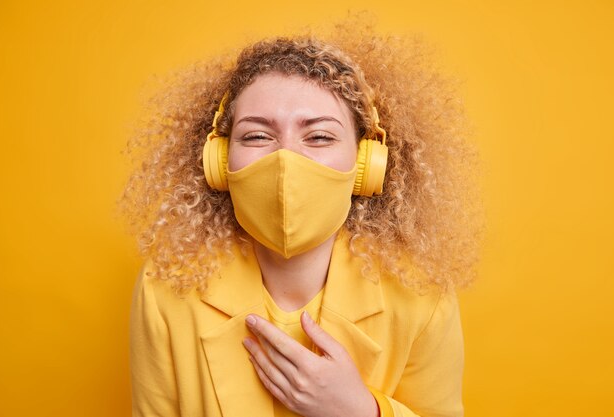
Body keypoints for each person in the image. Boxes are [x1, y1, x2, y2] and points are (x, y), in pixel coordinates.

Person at [120, 20, 482, 417]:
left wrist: (362, 412)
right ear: (219, 163)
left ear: (366, 164)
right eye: (257, 136)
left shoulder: (421, 293)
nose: (285, 160)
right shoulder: (167, 286)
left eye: (320, 137)